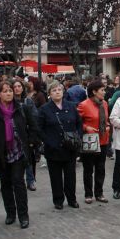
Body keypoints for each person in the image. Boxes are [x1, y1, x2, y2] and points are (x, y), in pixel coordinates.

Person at [0, 80, 39, 228]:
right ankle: (10, 213)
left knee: (18, 182)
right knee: (6, 184)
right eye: (5, 91)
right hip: (2, 153)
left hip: (19, 151)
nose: (8, 93)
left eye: (10, 90)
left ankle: (23, 215)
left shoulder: (22, 108)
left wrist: (31, 142)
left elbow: (33, 126)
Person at [39, 80, 83, 209]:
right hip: (53, 148)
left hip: (70, 147)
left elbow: (79, 123)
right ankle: (58, 200)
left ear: (63, 92)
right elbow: (39, 128)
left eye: (59, 90)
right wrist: (48, 141)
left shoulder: (71, 106)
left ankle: (71, 199)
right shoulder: (44, 109)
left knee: (70, 176)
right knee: (56, 176)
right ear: (49, 94)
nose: (57, 92)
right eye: (54, 90)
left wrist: (78, 137)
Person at [77, 79, 111, 204]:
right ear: (94, 91)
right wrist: (86, 128)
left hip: (103, 140)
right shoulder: (84, 105)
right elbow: (77, 122)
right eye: (102, 90)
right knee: (88, 169)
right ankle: (88, 194)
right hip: (90, 141)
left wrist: (107, 126)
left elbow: (106, 120)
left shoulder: (105, 104)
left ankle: (99, 193)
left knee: (100, 168)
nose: (104, 92)